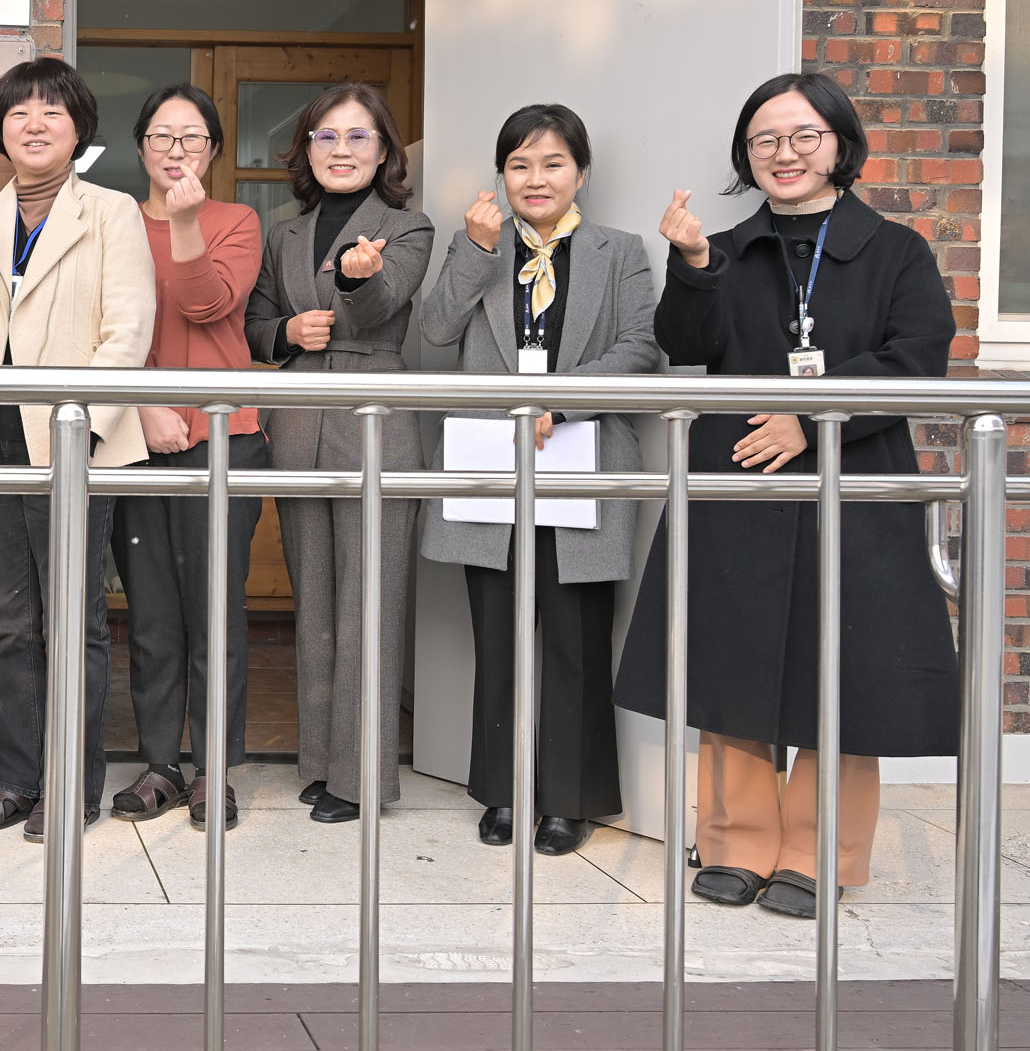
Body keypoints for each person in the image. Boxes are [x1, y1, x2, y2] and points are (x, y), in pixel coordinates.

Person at [614, 71, 958, 919]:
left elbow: (919, 355)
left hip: (855, 481)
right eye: (765, 139)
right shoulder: (726, 247)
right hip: (738, 476)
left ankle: (818, 853)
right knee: (731, 659)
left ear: (840, 143)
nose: (785, 153)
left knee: (845, 669)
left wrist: (811, 416)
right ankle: (734, 843)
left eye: (804, 135)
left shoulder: (896, 251)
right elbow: (685, 345)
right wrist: (693, 264)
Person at [0, 58, 155, 842]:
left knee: (73, 622)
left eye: (52, 111)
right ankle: (17, 777)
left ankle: (72, 782)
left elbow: (128, 332)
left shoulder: (111, 211)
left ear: (79, 127)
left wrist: (83, 426)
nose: (34, 124)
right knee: (8, 621)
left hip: (71, 435)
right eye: (18, 112)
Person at [418, 103, 658, 855]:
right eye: (519, 165)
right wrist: (473, 250)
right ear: (502, 176)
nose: (536, 178)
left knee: (575, 640)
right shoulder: (480, 245)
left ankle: (568, 799)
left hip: (583, 460)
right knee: (498, 634)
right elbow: (435, 334)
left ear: (580, 172)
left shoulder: (619, 252)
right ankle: (502, 789)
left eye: (553, 163)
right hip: (491, 461)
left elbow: (640, 347)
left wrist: (559, 398)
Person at [244, 82, 433, 824]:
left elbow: (385, 304)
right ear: (307, 149)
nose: (342, 150)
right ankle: (322, 763)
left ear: (384, 151)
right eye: (327, 136)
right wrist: (287, 334)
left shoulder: (408, 226)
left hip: (374, 416)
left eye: (359, 136)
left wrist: (358, 282)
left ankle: (362, 778)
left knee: (369, 604)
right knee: (315, 602)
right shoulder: (284, 232)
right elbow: (257, 322)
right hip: (298, 419)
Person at [108, 85, 266, 831]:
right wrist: (141, 406)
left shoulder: (236, 221)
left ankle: (213, 770)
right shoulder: (111, 221)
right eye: (163, 136)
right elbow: (98, 327)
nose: (176, 150)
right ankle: (160, 765)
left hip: (224, 440)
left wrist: (182, 222)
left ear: (213, 150)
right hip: (135, 439)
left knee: (214, 612)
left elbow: (208, 306)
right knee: (150, 613)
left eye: (193, 137)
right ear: (141, 145)